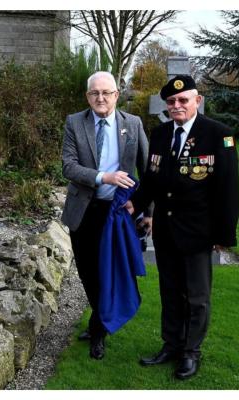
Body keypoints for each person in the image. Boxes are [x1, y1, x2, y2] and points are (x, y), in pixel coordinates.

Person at [130, 75, 239, 379]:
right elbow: (151, 179)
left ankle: (191, 352)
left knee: (196, 296)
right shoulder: (161, 133)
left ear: (197, 101)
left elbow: (228, 189)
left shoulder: (219, 135)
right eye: (171, 101)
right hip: (165, 230)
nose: (176, 105)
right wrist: (134, 205)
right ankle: (171, 344)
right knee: (170, 290)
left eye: (183, 100)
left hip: (197, 232)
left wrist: (224, 234)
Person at [61, 71, 149, 360]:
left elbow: (147, 170)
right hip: (83, 212)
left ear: (116, 94)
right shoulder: (75, 122)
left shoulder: (133, 125)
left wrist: (145, 208)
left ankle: (98, 331)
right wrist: (104, 177)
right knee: (88, 272)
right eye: (94, 93)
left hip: (116, 214)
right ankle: (99, 320)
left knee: (108, 272)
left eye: (106, 92)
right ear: (88, 96)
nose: (101, 98)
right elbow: (69, 167)